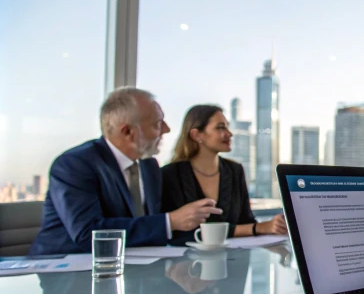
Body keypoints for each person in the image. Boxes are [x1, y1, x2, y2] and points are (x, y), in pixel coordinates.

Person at [29, 88, 222, 255]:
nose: (167, 129)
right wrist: (170, 221)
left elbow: (155, 227)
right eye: (157, 124)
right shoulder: (74, 165)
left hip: (134, 271)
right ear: (128, 132)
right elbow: (88, 234)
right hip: (69, 275)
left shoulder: (149, 167)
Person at [161, 105, 287, 246]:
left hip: (234, 260)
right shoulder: (169, 174)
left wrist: (272, 226)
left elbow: (246, 221)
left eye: (227, 126)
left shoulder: (235, 170)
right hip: (185, 263)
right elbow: (177, 233)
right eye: (220, 127)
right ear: (197, 135)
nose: (229, 133)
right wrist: (258, 228)